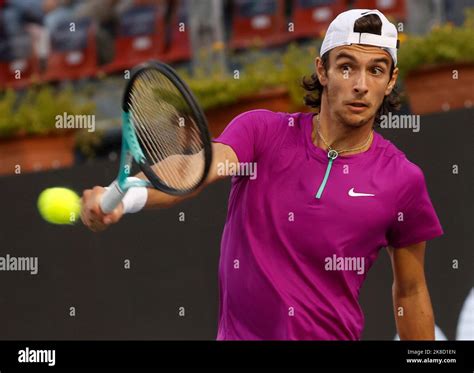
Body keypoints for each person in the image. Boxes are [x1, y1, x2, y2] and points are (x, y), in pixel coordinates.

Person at [81, 9, 444, 340]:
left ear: (391, 79)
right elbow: (195, 169)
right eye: (347, 67)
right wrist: (124, 199)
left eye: (376, 70)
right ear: (323, 71)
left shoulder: (402, 180)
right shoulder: (262, 131)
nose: (361, 84)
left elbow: (410, 291)